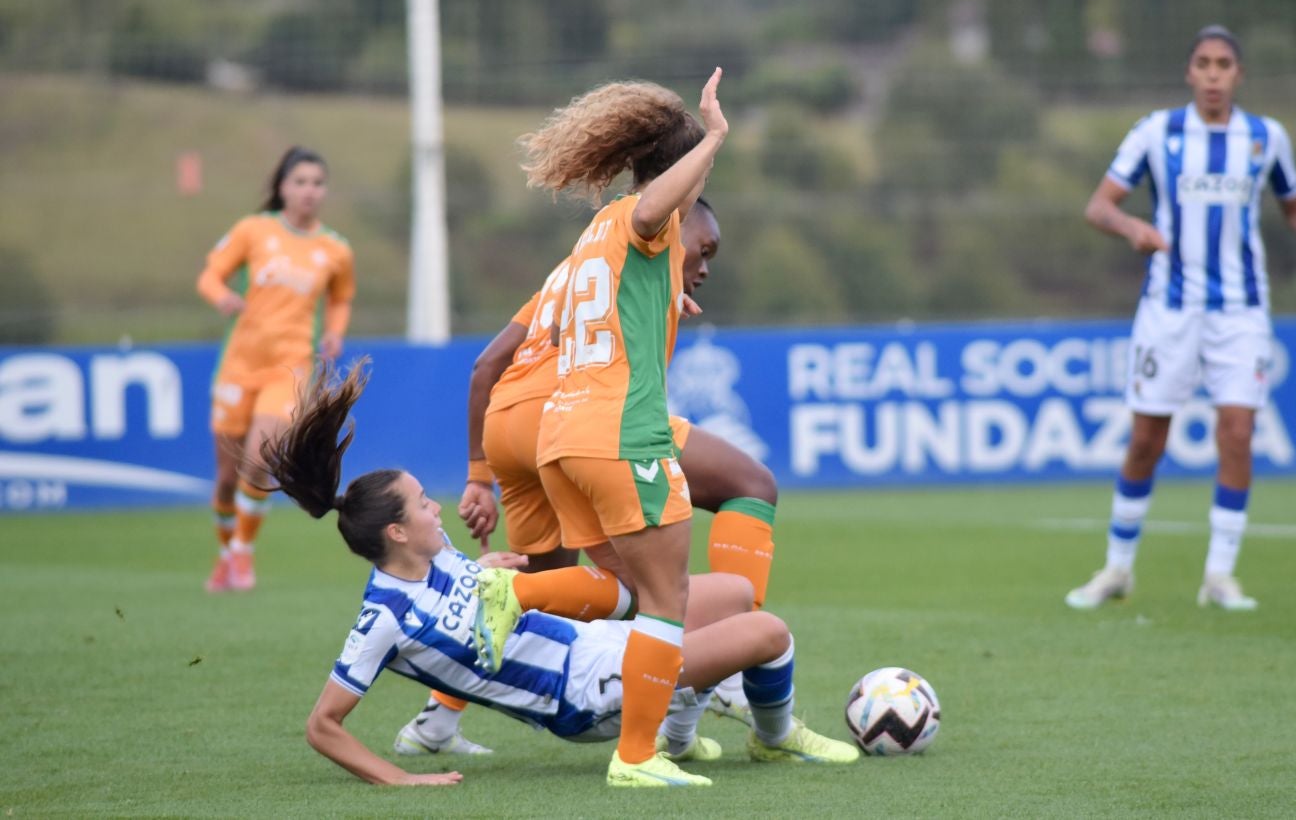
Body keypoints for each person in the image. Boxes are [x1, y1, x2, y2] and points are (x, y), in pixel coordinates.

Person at [261, 360, 858, 787]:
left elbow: (474, 600)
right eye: (421, 503)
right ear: (395, 532)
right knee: (769, 633)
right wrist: (399, 781)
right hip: (584, 695)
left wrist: (485, 565)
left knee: (735, 593)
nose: (434, 506)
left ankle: (682, 717)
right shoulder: (382, 618)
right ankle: (771, 739)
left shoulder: (439, 558)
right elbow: (323, 726)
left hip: (599, 645)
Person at [395, 198, 775, 759]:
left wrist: (479, 475)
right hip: (578, 416)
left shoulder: (570, 271)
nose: (705, 266)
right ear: (671, 229)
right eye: (703, 249)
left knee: (554, 598)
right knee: (749, 487)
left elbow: (486, 366)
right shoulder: (640, 256)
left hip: (508, 428)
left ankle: (435, 721)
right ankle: (727, 667)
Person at [1065, 26, 1296, 612]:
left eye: (1225, 64)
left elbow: (1293, 206)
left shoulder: (1265, 137)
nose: (1215, 74)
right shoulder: (1157, 131)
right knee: (1147, 439)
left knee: (1239, 433)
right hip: (1169, 308)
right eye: (1204, 63)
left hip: (1241, 310)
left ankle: (1219, 576)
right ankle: (1117, 568)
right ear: (1189, 72)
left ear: (1239, 75)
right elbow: (1099, 206)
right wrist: (1133, 229)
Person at [512, 69, 730, 787]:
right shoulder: (643, 216)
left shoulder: (594, 233)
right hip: (619, 435)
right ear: (678, 171)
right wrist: (717, 139)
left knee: (621, 591)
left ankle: (500, 597)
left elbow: (602, 302)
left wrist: (668, 300)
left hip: (561, 439)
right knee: (669, 602)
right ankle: (639, 754)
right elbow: (653, 214)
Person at [196, 147, 355, 592]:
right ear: (283, 187)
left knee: (262, 456)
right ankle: (226, 553)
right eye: (300, 182)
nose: (309, 191)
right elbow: (210, 274)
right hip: (237, 367)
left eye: (317, 183)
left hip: (289, 368)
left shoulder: (335, 249)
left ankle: (243, 552)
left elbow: (340, 297)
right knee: (227, 479)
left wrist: (335, 332)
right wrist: (221, 297)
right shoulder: (254, 230)